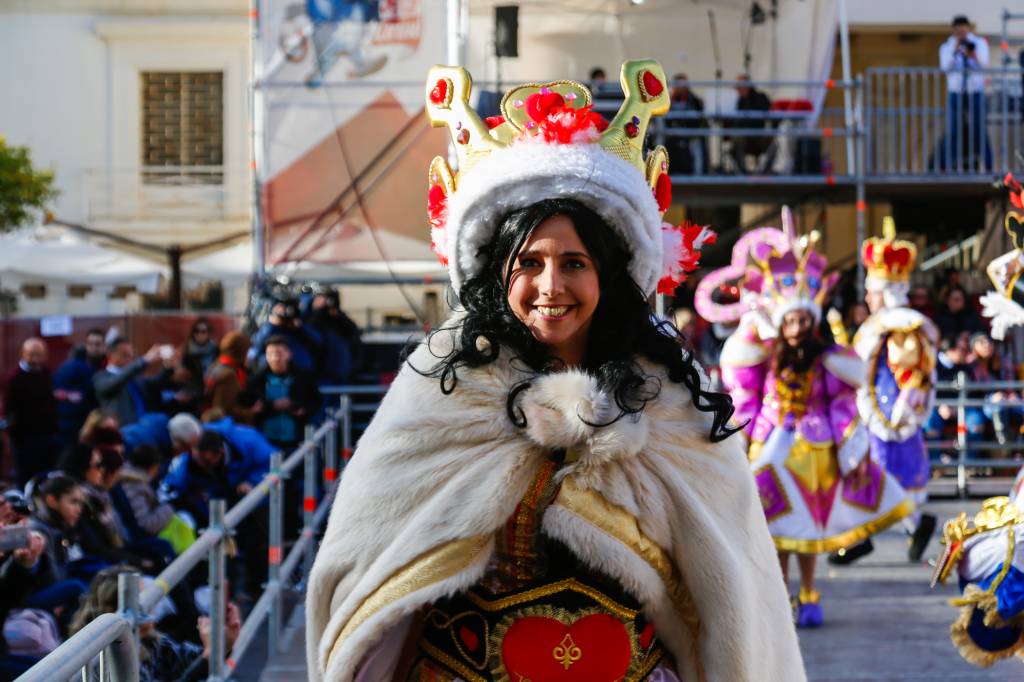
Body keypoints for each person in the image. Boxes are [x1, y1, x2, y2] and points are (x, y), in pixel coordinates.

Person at [307, 61, 803, 681]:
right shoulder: (439, 388)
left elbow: (735, 589)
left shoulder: (672, 396)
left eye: (574, 263)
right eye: (529, 263)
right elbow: (367, 566)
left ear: (607, 276)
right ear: (498, 275)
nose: (550, 287)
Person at [709, 210, 913, 628]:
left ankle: (809, 593)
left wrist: (850, 443)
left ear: (813, 320)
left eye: (803, 319)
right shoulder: (767, 356)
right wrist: (743, 435)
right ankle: (781, 595)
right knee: (775, 531)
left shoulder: (827, 360)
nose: (797, 326)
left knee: (807, 532)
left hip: (814, 453)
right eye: (791, 320)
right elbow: (743, 388)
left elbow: (842, 402)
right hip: (771, 449)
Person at [832, 218, 939, 566]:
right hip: (872, 410)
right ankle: (909, 527)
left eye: (872, 291)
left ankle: (865, 536)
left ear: (886, 290)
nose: (867, 296)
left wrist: (901, 412)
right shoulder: (878, 323)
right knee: (875, 475)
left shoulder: (901, 325)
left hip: (887, 414)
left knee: (879, 475)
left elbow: (912, 373)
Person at [69, 565, 241, 682]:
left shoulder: (151, 640)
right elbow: (199, 666)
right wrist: (209, 656)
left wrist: (222, 645)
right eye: (142, 602)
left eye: (149, 599)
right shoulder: (100, 661)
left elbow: (191, 661)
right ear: (112, 611)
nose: (151, 608)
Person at [936, 15, 993, 171]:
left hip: (975, 91)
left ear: (969, 29)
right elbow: (945, 67)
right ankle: (950, 166)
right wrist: (955, 50)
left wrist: (972, 55)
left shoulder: (979, 43)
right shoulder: (947, 47)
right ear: (954, 31)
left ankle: (988, 166)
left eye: (964, 29)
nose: (961, 32)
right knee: (953, 130)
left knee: (979, 129)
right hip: (956, 92)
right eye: (958, 30)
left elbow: (984, 65)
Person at [4, 338, 61, 486]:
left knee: (47, 479)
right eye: (32, 354)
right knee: (25, 479)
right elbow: (9, 411)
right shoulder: (14, 378)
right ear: (23, 354)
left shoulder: (45, 373)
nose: (36, 359)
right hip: (24, 441)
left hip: (47, 437)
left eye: (39, 355)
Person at [248, 335, 320, 452]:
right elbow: (251, 404)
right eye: (270, 354)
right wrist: (272, 405)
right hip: (265, 441)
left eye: (279, 353)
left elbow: (316, 401)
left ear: (289, 354)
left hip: (296, 440)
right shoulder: (256, 380)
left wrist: (302, 409)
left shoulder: (304, 377)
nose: (275, 358)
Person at [93, 339, 174, 426]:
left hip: (145, 426)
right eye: (125, 355)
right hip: (122, 429)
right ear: (110, 355)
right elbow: (117, 380)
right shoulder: (100, 377)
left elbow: (156, 383)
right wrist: (144, 360)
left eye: (131, 356)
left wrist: (168, 366)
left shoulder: (134, 377)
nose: (129, 360)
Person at [53, 328, 106, 449]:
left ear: (104, 346)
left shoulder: (105, 366)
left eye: (97, 344)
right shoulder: (75, 368)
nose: (93, 348)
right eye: (90, 344)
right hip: (74, 425)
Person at [248, 300, 322, 374]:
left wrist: (300, 326)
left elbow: (318, 340)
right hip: (274, 372)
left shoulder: (299, 329)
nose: (285, 315)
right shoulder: (270, 329)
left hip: (301, 372)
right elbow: (254, 349)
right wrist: (271, 325)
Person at [204, 331, 259, 424]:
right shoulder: (229, 375)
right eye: (247, 350)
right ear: (241, 351)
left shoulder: (217, 364)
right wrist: (251, 412)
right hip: (227, 426)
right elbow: (225, 409)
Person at [308, 289, 359, 386]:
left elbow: (353, 335)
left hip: (339, 373)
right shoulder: (313, 321)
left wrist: (336, 313)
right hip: (319, 373)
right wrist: (317, 310)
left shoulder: (341, 322)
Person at [727, 74, 773, 173]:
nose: (737, 90)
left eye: (739, 87)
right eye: (737, 88)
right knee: (735, 144)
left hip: (758, 136)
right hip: (743, 138)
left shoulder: (761, 97)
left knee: (774, 145)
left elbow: (770, 114)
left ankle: (763, 173)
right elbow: (735, 122)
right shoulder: (738, 101)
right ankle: (742, 174)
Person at [664, 73, 707, 175]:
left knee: (697, 143)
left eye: (683, 85)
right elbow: (665, 121)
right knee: (660, 141)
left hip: (691, 133)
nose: (680, 88)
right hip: (672, 134)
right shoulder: (668, 101)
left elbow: (699, 120)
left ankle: (698, 174)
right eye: (678, 85)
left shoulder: (695, 100)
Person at [180, 318, 218, 388]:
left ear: (209, 333)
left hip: (212, 385)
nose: (199, 334)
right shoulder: (187, 350)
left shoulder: (215, 349)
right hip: (192, 386)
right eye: (196, 331)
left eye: (203, 331)